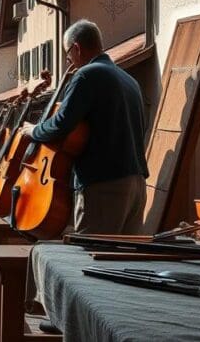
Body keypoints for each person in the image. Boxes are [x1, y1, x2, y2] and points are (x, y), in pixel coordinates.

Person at [20, 19, 149, 234]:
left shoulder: (87, 75)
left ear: (76, 48)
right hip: (136, 183)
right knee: (124, 261)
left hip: (104, 185)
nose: (69, 60)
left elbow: (61, 123)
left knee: (90, 258)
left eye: (67, 53)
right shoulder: (129, 80)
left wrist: (34, 130)